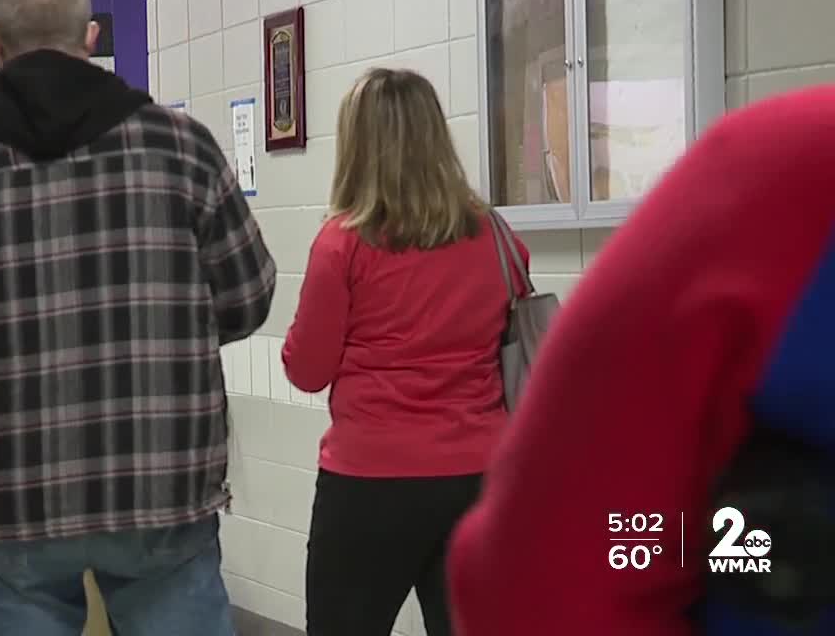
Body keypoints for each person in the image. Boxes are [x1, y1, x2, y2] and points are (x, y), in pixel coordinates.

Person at [0, 0, 276, 636]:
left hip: (9, 497)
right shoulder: (182, 149)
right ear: (92, 38)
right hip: (162, 485)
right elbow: (248, 298)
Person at [447, 86, 835, 635]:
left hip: (383, 466)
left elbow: (545, 578)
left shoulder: (787, 172)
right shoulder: (493, 236)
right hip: (472, 451)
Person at [281, 69, 527, 636]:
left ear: (358, 146)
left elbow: (309, 371)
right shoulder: (495, 236)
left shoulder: (342, 244)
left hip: (371, 483)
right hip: (480, 475)